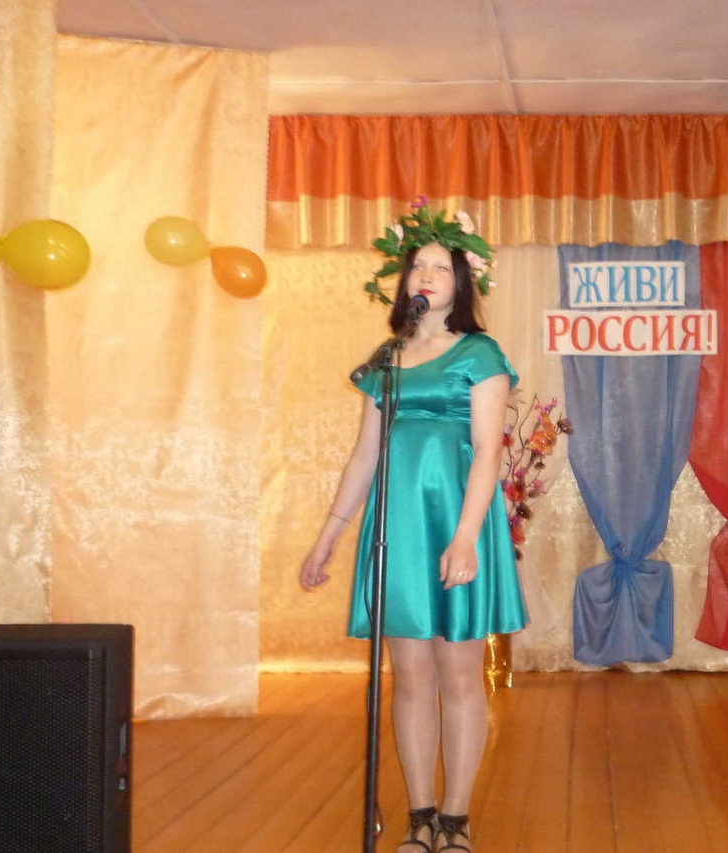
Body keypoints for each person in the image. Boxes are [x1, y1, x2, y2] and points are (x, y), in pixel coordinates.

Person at [300, 202, 527, 853]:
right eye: (417, 266)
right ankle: (419, 815)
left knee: (458, 675)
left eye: (440, 267)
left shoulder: (480, 352)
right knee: (411, 676)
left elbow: (486, 452)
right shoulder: (387, 360)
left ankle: (455, 819)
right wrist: (328, 538)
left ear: (461, 282)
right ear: (402, 283)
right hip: (397, 531)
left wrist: (466, 536)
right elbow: (364, 458)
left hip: (456, 524)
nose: (426, 275)